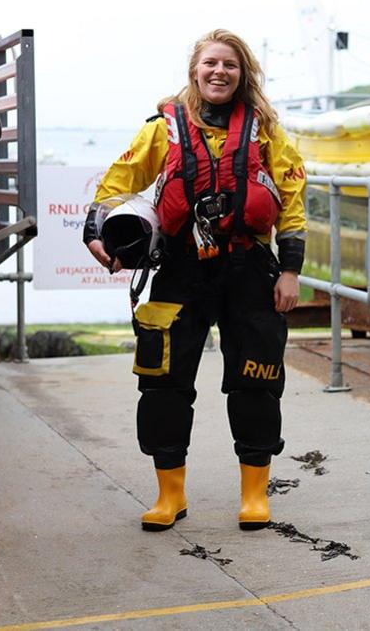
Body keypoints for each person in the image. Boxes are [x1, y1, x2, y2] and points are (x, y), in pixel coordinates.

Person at [82, 29, 307, 532]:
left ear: (242, 73)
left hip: (249, 269)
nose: (219, 72)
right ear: (195, 71)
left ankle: (254, 495)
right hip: (180, 270)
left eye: (229, 65)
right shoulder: (161, 130)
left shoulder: (267, 132)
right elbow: (116, 184)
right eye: (210, 63)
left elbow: (292, 204)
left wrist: (290, 270)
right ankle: (170, 496)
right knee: (162, 382)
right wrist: (97, 233)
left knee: (256, 381)